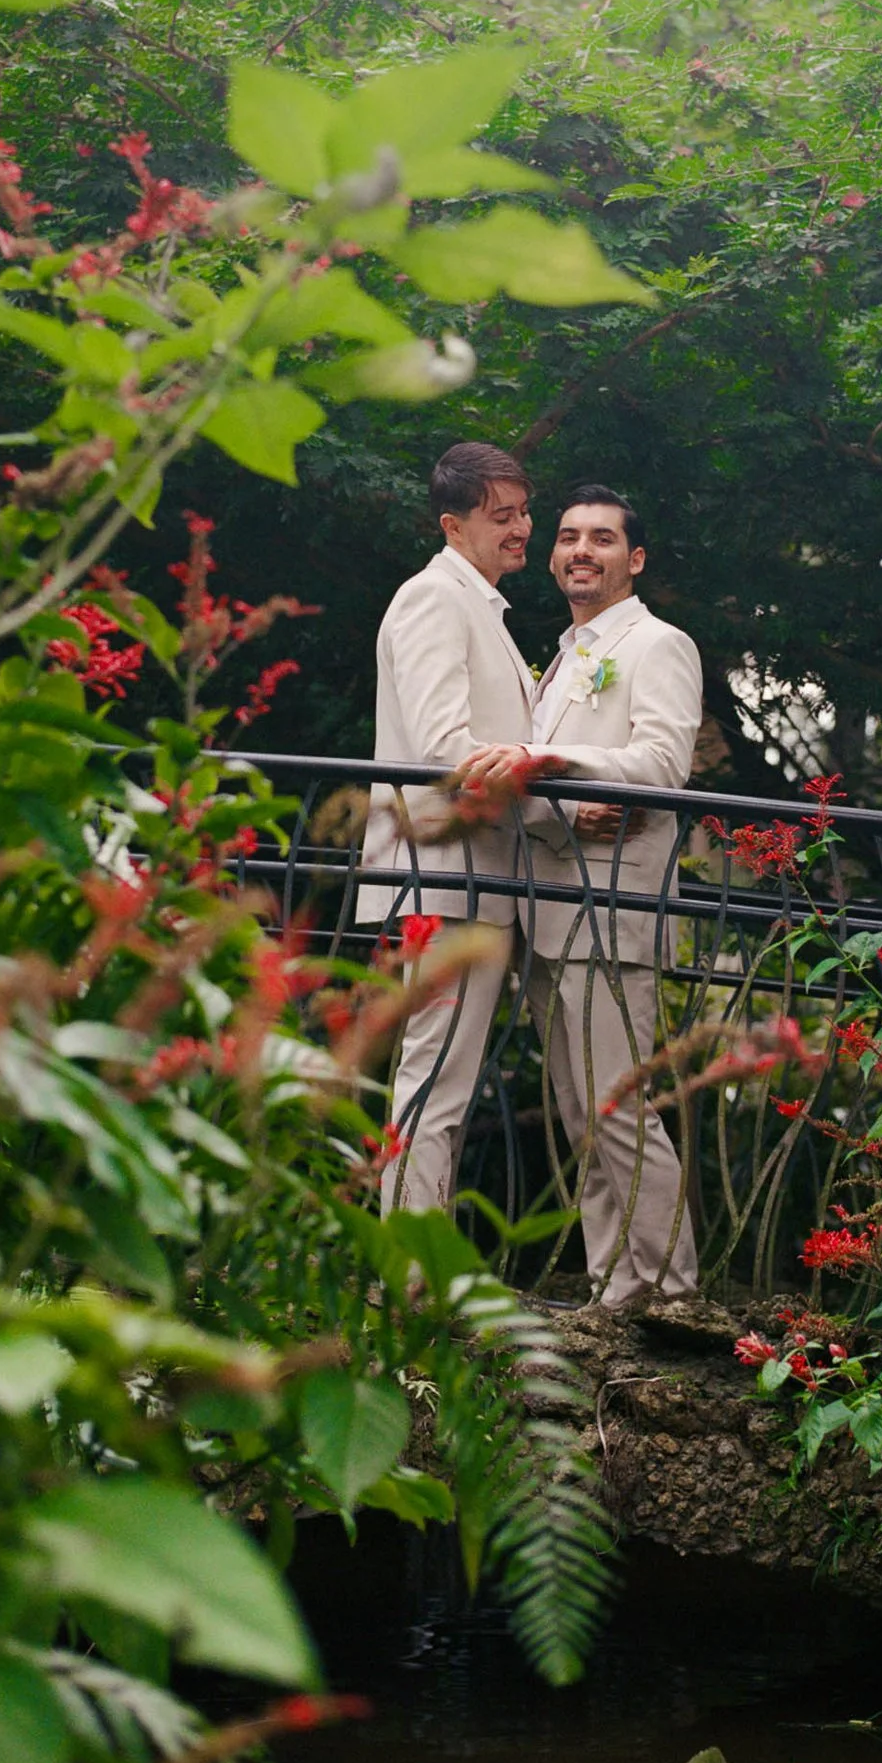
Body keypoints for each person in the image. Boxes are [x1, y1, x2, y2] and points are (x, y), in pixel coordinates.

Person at [520, 484, 701, 1303]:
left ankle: (670, 1290)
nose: (579, 550)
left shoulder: (658, 643)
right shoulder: (563, 655)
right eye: (567, 537)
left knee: (618, 1110)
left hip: (613, 907)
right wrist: (559, 796)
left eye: (600, 537)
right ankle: (614, 1288)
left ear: (635, 559)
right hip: (554, 906)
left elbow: (663, 765)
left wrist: (560, 768)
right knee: (581, 1116)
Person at [366, 441, 540, 1218]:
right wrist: (553, 794)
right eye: (502, 516)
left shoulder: (481, 606)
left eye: (525, 511)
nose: (523, 528)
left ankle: (412, 1266)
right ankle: (403, 1275)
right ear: (452, 523)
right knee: (431, 1084)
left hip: (476, 881)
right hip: (442, 878)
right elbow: (444, 745)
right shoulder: (435, 598)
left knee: (443, 1086)